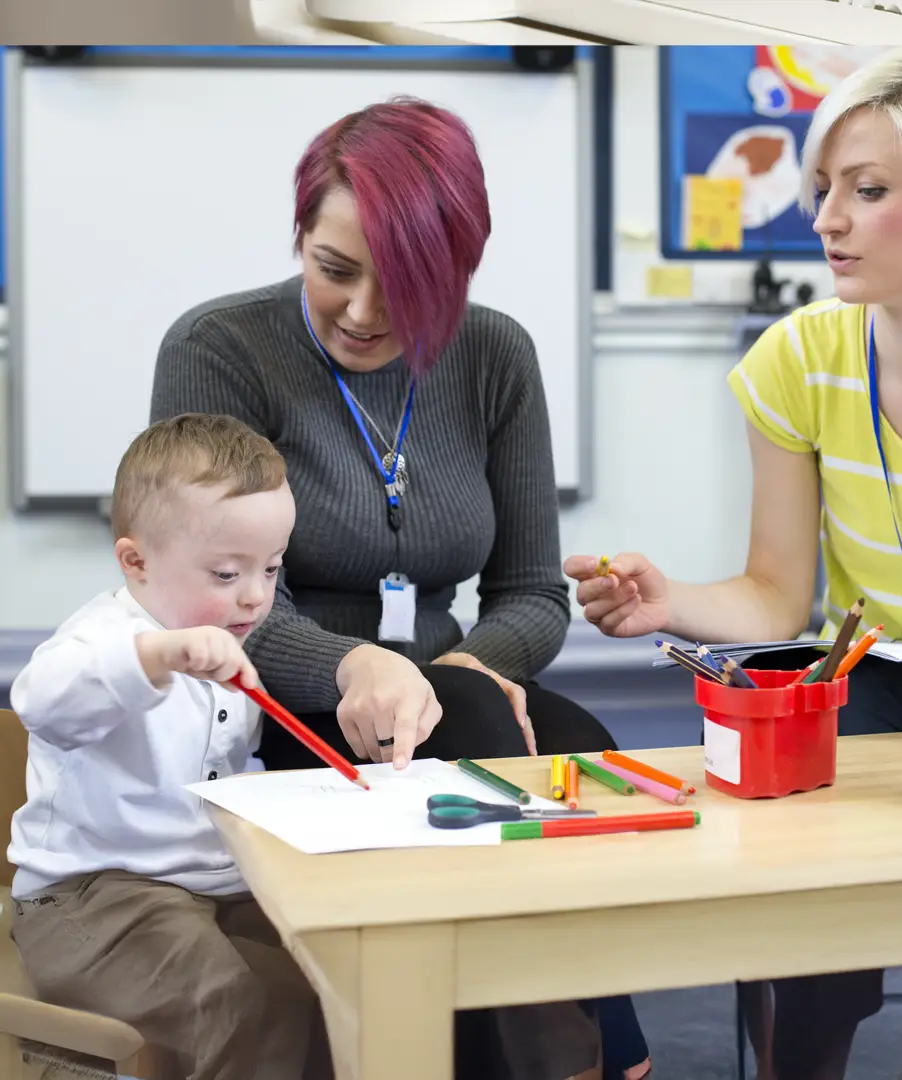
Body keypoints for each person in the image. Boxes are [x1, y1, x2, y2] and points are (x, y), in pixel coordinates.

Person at [566, 47, 902, 1080]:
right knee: (809, 943)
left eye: (868, 190)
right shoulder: (798, 360)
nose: (826, 219)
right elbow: (774, 595)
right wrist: (671, 599)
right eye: (822, 189)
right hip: (864, 674)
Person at [149, 98, 648, 1080]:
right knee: (479, 756)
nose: (367, 312)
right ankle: (578, 1058)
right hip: (274, 705)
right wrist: (359, 664)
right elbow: (204, 603)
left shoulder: (494, 354)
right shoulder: (220, 350)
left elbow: (531, 596)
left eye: (410, 284)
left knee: (581, 746)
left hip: (455, 700)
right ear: (300, 236)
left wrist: (463, 662)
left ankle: (558, 1046)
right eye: (336, 269)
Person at [7, 414, 330, 1080]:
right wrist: (159, 656)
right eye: (224, 573)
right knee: (230, 1005)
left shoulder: (228, 645)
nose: (254, 596)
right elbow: (42, 698)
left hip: (208, 892)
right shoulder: (104, 639)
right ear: (136, 561)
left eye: (270, 569)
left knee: (330, 984)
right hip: (87, 898)